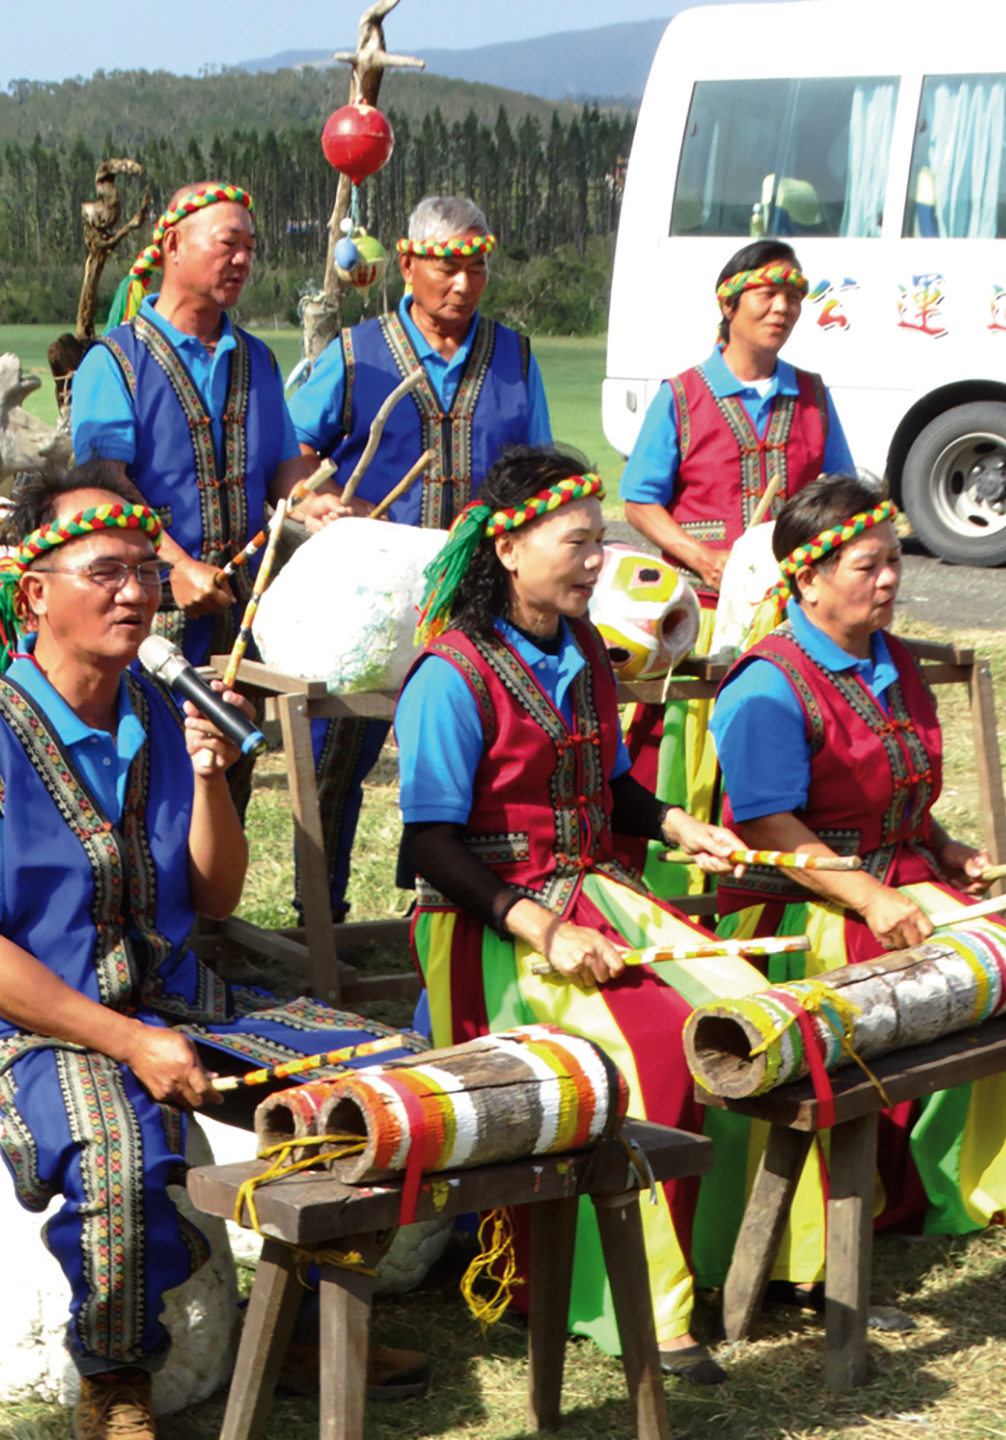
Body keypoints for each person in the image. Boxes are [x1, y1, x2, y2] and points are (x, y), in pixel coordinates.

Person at [0, 464, 423, 1440]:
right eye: (105, 570)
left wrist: (208, 775)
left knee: (374, 1070)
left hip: (170, 993)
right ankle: (117, 1376)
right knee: (116, 1151)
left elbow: (215, 894)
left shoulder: (156, 711)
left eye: (145, 570)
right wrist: (126, 1040)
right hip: (31, 1020)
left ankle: (299, 1318)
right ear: (35, 590)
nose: (135, 591)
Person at [393, 444, 762, 1385]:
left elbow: (612, 785)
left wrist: (677, 823)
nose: (598, 561)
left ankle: (719, 1261)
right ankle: (638, 1303)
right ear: (508, 547)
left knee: (745, 1013)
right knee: (657, 1048)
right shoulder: (450, 673)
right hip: (489, 925)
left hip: (593, 894)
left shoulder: (586, 646)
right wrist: (543, 927)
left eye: (601, 539)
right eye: (578, 542)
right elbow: (429, 845)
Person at [703, 474, 1006, 1307]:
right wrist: (872, 898)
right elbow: (768, 824)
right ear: (807, 578)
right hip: (804, 904)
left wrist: (942, 847)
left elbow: (896, 787)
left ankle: (924, 1184)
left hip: (897, 880)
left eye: (894, 561)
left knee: (1005, 963)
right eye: (867, 566)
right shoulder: (767, 684)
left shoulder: (893, 658)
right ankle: (839, 1219)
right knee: (945, 971)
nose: (889, 580)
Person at [286, 194, 554, 920]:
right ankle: (320, 914)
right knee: (340, 752)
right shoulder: (355, 354)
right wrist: (320, 498)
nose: (463, 284)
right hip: (373, 597)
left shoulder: (514, 356)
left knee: (480, 752)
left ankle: (455, 905)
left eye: (476, 268)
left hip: (481, 595)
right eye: (447, 267)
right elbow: (295, 448)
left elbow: (538, 469)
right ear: (407, 263)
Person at [618, 239, 856, 898]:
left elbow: (839, 494)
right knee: (677, 747)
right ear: (729, 304)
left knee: (783, 743)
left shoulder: (812, 396)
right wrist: (703, 557)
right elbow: (639, 500)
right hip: (698, 616)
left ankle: (772, 886)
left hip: (792, 621)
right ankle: (669, 890)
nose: (782, 308)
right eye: (767, 294)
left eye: (794, 296)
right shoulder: (682, 395)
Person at [70, 182, 322, 671]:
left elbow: (285, 472)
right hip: (147, 621)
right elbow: (106, 489)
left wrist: (319, 505)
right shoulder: (115, 361)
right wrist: (179, 567)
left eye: (250, 248)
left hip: (247, 623)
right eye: (228, 244)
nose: (242, 260)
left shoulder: (259, 359)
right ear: (173, 245)